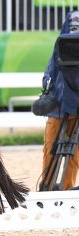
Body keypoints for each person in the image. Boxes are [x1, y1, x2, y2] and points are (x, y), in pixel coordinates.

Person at [38, 11, 79, 190]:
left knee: (75, 154)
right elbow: (49, 72)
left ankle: (66, 189)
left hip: (70, 108)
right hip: (59, 107)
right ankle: (46, 186)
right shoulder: (60, 44)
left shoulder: (61, 42)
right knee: (50, 149)